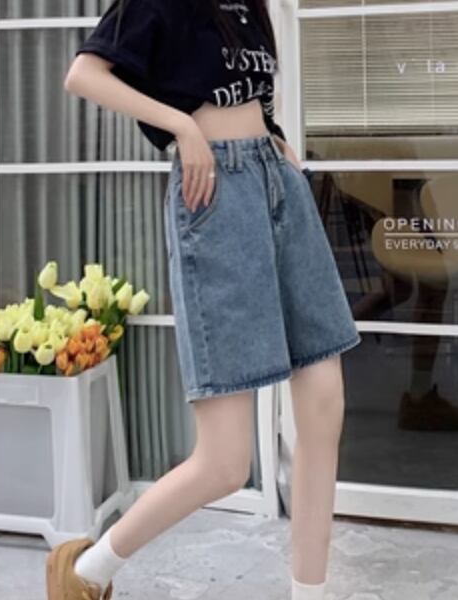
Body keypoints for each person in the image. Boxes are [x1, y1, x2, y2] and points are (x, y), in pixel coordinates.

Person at [47, 1, 362, 599]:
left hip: (277, 188)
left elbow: (252, 99)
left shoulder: (250, 6)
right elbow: (84, 74)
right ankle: (87, 570)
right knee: (225, 461)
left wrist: (276, 145)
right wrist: (183, 127)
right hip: (216, 195)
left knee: (325, 406)